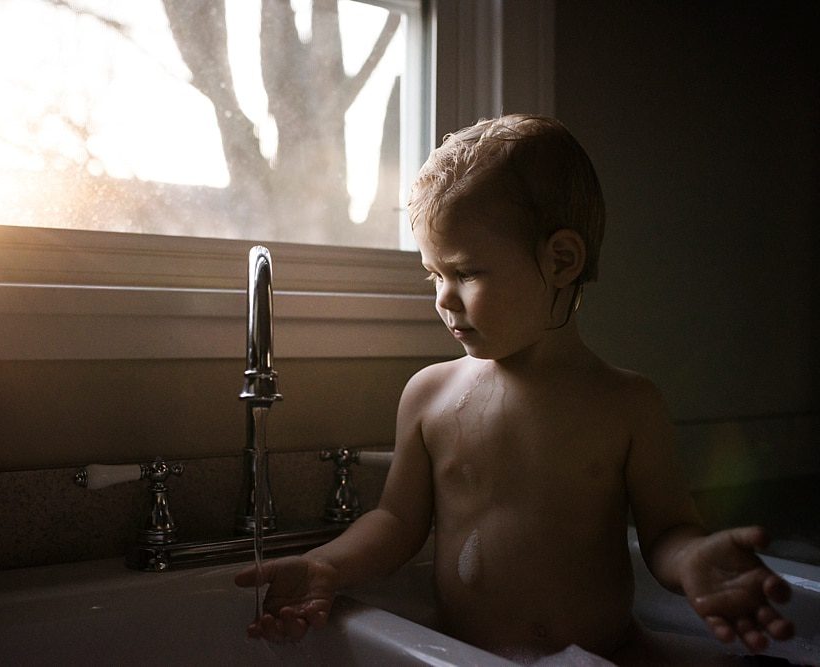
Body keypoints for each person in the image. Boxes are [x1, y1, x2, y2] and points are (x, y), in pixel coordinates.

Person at [234, 115, 794, 664]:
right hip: (468, 657)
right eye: (435, 275)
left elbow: (667, 530)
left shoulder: (626, 405)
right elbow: (397, 523)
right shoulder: (429, 397)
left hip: (606, 654)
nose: (444, 299)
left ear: (561, 261)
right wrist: (326, 565)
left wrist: (694, 557)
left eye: (467, 273)